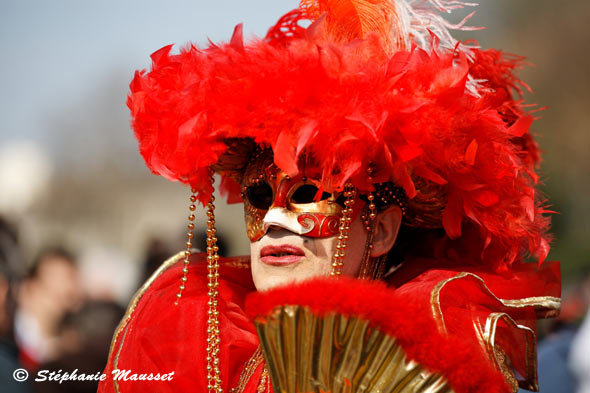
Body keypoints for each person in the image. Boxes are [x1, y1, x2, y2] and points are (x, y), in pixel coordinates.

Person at [98, 1, 561, 392]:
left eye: (307, 194)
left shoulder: (432, 342)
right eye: (259, 196)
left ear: (380, 229)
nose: (275, 220)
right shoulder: (194, 336)